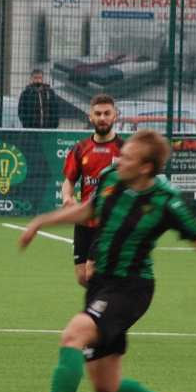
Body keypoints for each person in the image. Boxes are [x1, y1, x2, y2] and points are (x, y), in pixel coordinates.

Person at [19, 129, 196, 392]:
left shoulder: (166, 201)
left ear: (146, 167)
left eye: (128, 157)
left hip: (131, 289)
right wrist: (41, 221)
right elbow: (89, 210)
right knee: (107, 387)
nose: (120, 160)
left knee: (74, 334)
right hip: (102, 283)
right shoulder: (110, 177)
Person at [61, 94, 124, 287]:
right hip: (85, 220)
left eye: (107, 113)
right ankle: (110, 302)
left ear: (115, 116)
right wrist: (67, 197)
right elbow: (69, 181)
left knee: (92, 270)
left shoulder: (125, 150)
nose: (102, 118)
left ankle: (99, 313)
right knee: (82, 277)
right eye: (98, 114)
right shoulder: (80, 148)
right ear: (90, 117)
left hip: (110, 222)